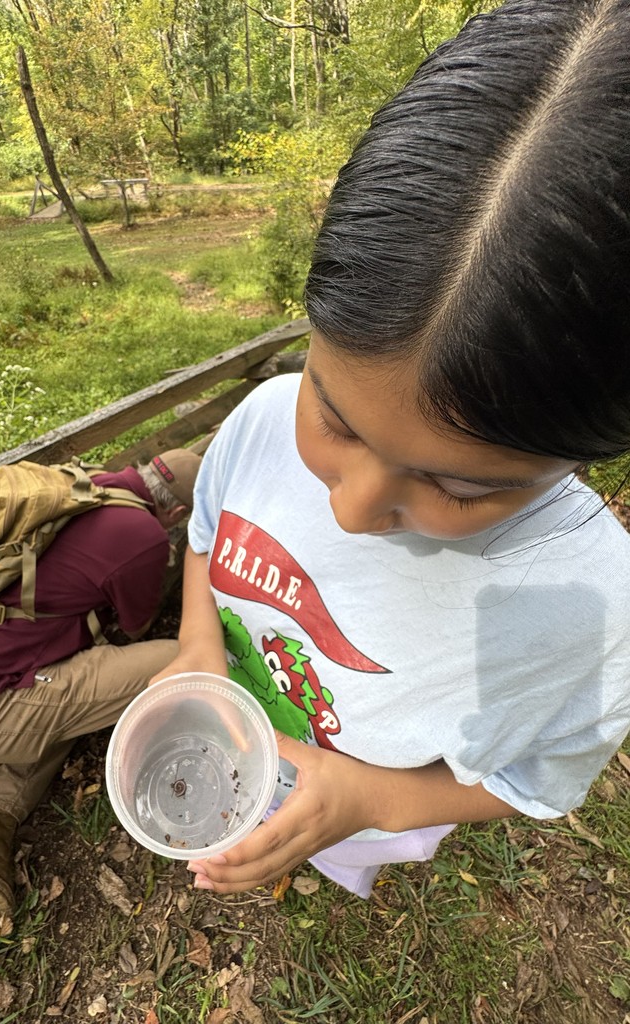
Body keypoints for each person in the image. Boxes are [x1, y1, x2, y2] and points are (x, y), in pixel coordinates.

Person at [154, 0, 630, 899]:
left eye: (456, 483)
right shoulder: (259, 418)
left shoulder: (594, 613)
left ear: (581, 454)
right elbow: (210, 534)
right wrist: (195, 647)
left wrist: (364, 799)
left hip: (363, 811)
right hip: (248, 735)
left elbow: (531, 781)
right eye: (333, 417)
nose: (350, 508)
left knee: (318, 845)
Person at [0, 449, 201, 924]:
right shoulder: (146, 536)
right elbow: (136, 624)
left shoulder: (85, 484)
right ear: (176, 512)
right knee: (184, 658)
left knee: (68, 702)